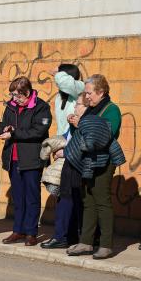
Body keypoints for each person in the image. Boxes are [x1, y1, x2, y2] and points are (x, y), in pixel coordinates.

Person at [66, 74, 124, 259]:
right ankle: (86, 242)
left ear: (101, 92)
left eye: (89, 93)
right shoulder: (91, 109)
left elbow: (105, 135)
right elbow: (82, 136)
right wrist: (75, 124)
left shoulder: (111, 110)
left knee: (102, 201)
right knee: (88, 201)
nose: (87, 96)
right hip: (87, 161)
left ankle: (106, 244)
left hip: (103, 161)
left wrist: (81, 123)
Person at [0, 76, 52, 246]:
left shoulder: (41, 107)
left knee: (32, 196)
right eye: (13, 95)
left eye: (18, 96)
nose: (14, 99)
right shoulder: (11, 106)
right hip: (13, 158)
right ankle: (18, 230)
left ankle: (31, 232)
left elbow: (38, 131)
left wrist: (14, 133)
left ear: (27, 92)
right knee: (18, 197)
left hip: (31, 158)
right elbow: (3, 124)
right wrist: (4, 129)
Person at [40, 97, 87, 249]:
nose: (75, 108)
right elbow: (68, 137)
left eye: (78, 105)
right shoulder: (76, 122)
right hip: (69, 166)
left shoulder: (88, 122)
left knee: (70, 202)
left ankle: (63, 237)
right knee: (65, 201)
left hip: (78, 166)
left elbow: (84, 143)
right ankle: (65, 236)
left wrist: (65, 152)